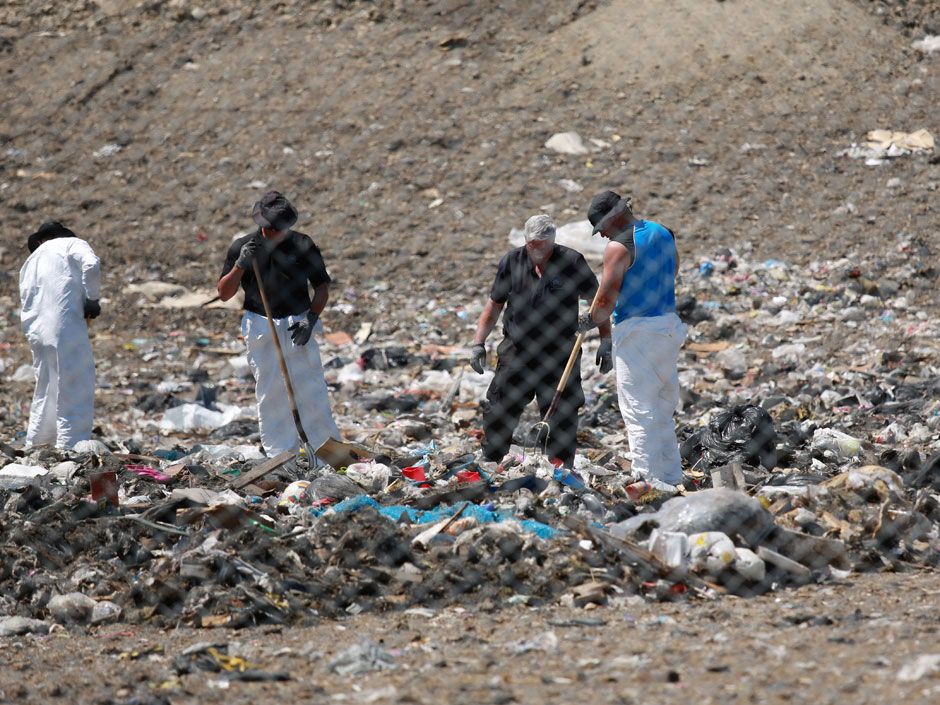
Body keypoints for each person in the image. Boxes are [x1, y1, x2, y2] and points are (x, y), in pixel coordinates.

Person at [469, 214, 612, 468]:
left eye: (542, 245)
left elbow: (598, 302)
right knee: (500, 407)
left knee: (561, 413)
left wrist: (605, 339)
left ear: (553, 241)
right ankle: (492, 461)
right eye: (531, 243)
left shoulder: (571, 261)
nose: (536, 249)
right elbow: (494, 305)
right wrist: (478, 343)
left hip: (559, 354)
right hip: (517, 351)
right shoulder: (512, 262)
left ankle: (559, 468)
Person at [217, 190, 340, 457]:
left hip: (298, 322)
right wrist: (240, 266)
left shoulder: (303, 245)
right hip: (261, 324)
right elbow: (224, 293)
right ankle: (281, 456)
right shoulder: (243, 247)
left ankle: (325, 451)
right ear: (264, 226)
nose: (278, 233)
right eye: (273, 229)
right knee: (271, 392)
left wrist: (311, 318)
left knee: (310, 388)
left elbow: (321, 288)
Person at [578, 190, 687, 489]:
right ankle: (671, 476)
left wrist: (588, 321)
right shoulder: (663, 232)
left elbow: (605, 300)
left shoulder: (619, 247)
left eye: (602, 229)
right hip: (668, 327)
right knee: (662, 408)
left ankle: (647, 480)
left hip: (638, 332)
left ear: (613, 219)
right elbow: (673, 269)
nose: (602, 237)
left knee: (638, 409)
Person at [19, 221, 101, 449]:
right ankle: (70, 447)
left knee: (46, 387)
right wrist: (92, 299)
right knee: (75, 385)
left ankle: (37, 444)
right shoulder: (71, 243)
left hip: (37, 332)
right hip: (65, 328)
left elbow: (26, 299)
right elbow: (92, 264)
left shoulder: (30, 261)